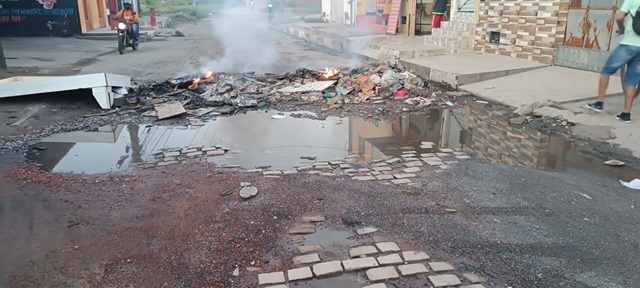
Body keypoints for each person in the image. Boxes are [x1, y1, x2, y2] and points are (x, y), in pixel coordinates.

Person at [586, 0, 640, 123]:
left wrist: (622, 29)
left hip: (628, 45)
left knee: (606, 70)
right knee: (632, 81)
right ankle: (626, 114)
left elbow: (620, 17)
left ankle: (599, 103)